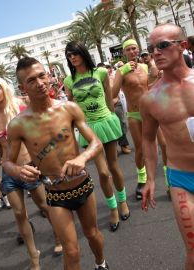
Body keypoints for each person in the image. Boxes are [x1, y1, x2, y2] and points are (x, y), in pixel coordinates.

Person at [3, 56, 109, 270]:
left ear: (49, 76)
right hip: (55, 193)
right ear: (22, 87)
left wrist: (82, 157)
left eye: (42, 75)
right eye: (31, 80)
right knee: (71, 250)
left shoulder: (69, 108)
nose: (40, 83)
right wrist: (19, 170)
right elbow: (6, 162)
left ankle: (101, 263)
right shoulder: (18, 125)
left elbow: (96, 143)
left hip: (83, 185)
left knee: (93, 235)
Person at [0, 75, 62, 270]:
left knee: (43, 206)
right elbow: (0, 152)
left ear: (3, 89)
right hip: (10, 172)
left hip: (29, 168)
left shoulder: (19, 108)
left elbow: (39, 137)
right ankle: (34, 256)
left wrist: (39, 162)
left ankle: (58, 237)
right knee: (18, 213)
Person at [141, 23, 194, 270]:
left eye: (163, 45)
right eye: (152, 48)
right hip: (182, 179)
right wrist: (150, 179)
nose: (156, 53)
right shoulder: (150, 98)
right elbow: (148, 139)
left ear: (182, 46)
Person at [64, 41, 130, 232]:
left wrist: (112, 118)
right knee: (102, 172)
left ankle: (122, 201)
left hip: (107, 122)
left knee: (114, 166)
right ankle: (112, 208)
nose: (72, 57)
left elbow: (109, 99)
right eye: (69, 55)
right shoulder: (69, 81)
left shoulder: (100, 73)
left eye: (75, 53)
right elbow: (70, 108)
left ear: (83, 53)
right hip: (88, 129)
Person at [112, 39, 167, 200]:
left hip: (152, 112)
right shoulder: (120, 71)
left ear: (138, 49)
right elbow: (113, 94)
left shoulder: (145, 67)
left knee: (164, 145)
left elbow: (148, 88)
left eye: (134, 48)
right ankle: (142, 179)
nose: (132, 51)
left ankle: (169, 180)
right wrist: (122, 73)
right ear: (124, 52)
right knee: (141, 149)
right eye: (128, 49)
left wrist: (159, 79)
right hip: (135, 115)